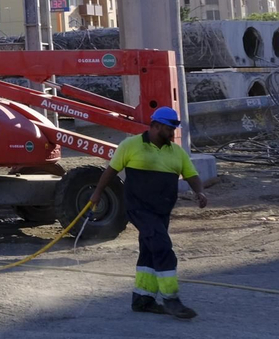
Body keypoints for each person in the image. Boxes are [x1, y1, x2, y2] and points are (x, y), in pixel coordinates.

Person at [89, 105, 208, 319]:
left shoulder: (176, 152)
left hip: (162, 211)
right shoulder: (130, 145)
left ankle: (143, 300)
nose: (173, 133)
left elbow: (191, 175)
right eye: (170, 129)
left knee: (150, 250)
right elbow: (111, 170)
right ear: (156, 126)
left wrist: (199, 191)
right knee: (162, 247)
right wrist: (97, 193)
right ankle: (171, 299)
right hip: (138, 208)